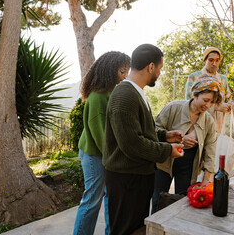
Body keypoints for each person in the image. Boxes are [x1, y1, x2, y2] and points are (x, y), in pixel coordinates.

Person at [102, 44, 184, 235]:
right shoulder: (125, 95)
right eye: (160, 68)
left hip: (136, 178)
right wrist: (167, 150)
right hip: (126, 181)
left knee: (137, 229)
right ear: (150, 67)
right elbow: (132, 144)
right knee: (125, 230)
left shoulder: (135, 92)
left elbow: (138, 131)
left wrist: (165, 136)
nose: (160, 73)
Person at [73, 51, 131, 235]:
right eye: (122, 71)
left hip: (106, 153)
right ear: (110, 70)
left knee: (110, 198)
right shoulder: (98, 96)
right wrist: (114, 159)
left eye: (127, 71)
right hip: (94, 154)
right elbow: (100, 136)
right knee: (92, 200)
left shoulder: (113, 91)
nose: (125, 76)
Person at [151, 77, 220, 213]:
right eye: (205, 100)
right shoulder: (173, 108)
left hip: (189, 163)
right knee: (158, 199)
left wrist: (206, 179)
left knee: (183, 201)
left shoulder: (209, 121)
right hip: (165, 159)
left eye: (212, 102)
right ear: (194, 95)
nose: (208, 105)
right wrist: (176, 139)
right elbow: (153, 130)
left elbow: (210, 151)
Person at [185, 47, 234, 133]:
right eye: (211, 60)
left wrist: (231, 105)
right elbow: (189, 102)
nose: (214, 63)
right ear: (205, 61)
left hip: (218, 129)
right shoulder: (194, 77)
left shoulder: (223, 80)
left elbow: (228, 99)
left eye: (217, 60)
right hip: (198, 127)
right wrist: (215, 107)